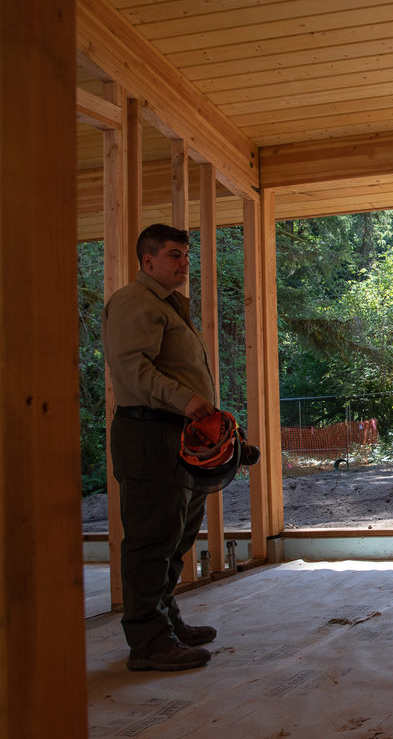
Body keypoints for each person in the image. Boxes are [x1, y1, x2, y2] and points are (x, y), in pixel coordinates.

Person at [102, 223, 219, 671]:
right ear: (147, 261)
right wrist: (185, 399)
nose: (183, 262)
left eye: (186, 254)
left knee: (177, 533)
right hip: (149, 433)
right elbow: (133, 370)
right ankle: (149, 642)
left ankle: (164, 620)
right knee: (152, 537)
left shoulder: (166, 305)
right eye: (174, 254)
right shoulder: (134, 302)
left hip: (177, 434)